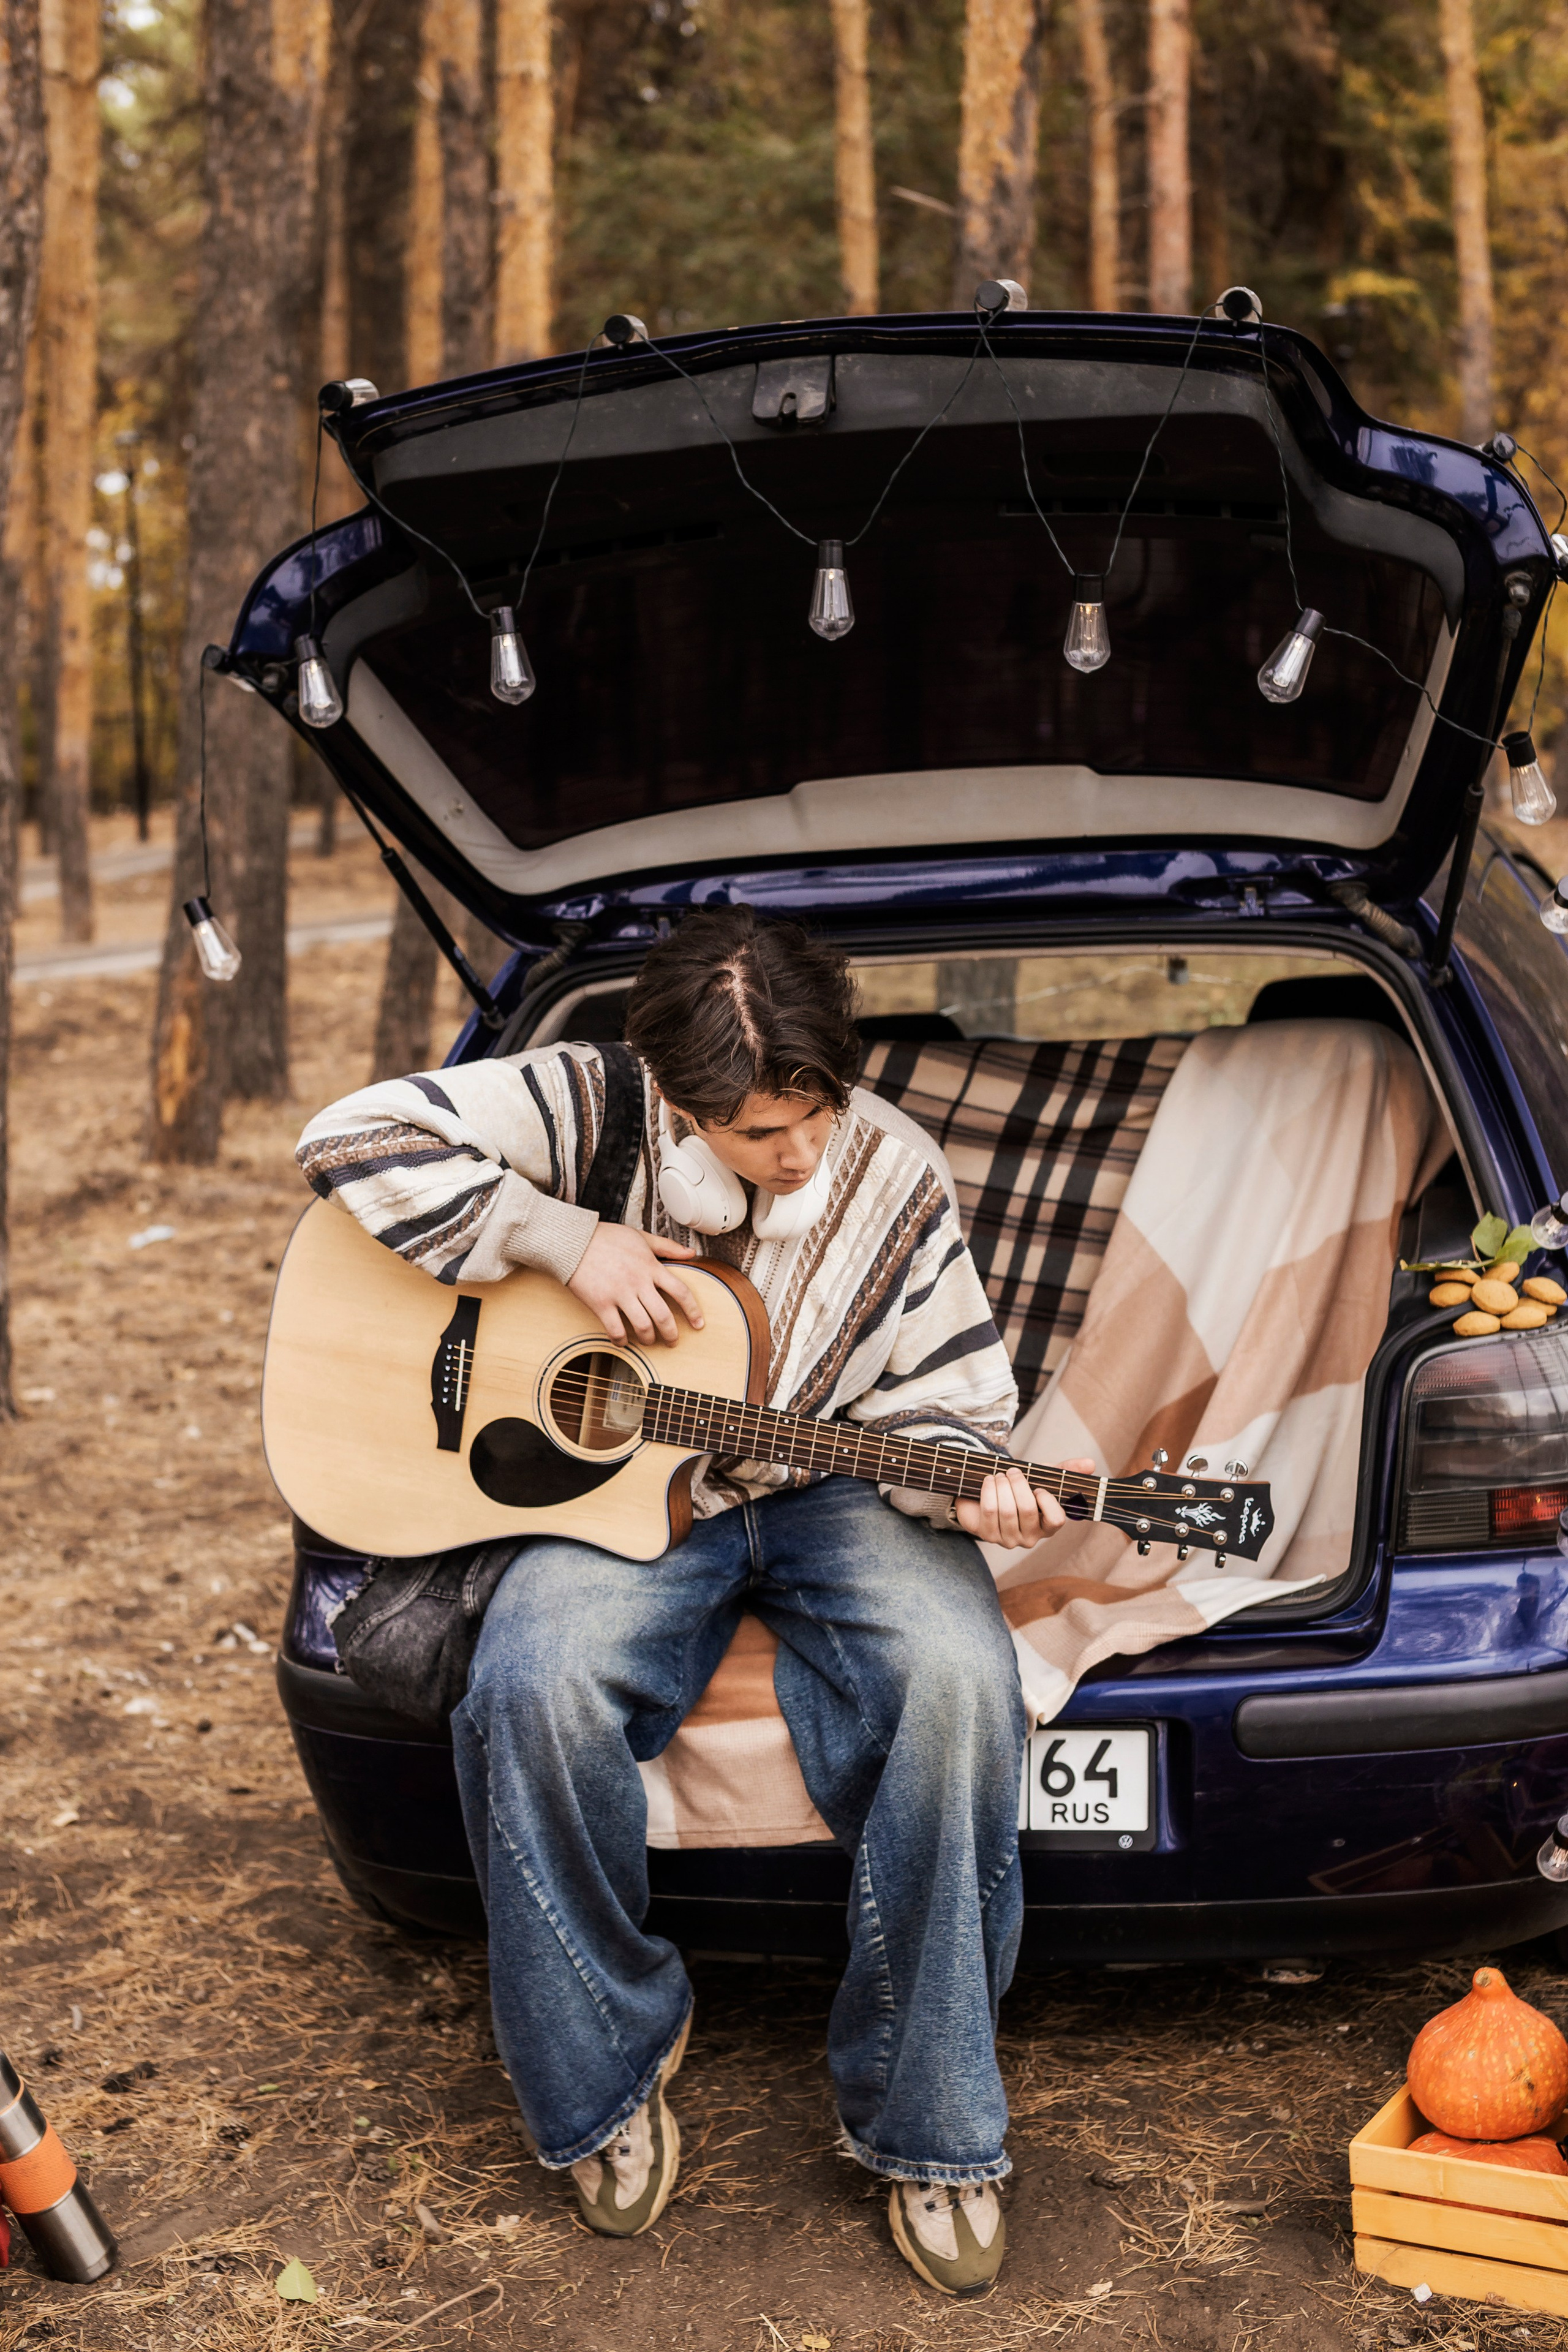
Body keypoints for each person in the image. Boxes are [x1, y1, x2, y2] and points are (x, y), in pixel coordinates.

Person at [296, 905, 1087, 2298]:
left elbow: (950, 1405)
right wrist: (559, 1240)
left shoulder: (890, 1172)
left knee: (964, 1683)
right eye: (760, 1131)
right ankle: (606, 2076)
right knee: (531, 1685)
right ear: (673, 1097)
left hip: (838, 1486)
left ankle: (931, 2127)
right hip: (618, 1500)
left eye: (817, 1113)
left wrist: (973, 1490)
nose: (803, 1154)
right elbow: (347, 1139)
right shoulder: (584, 1105)